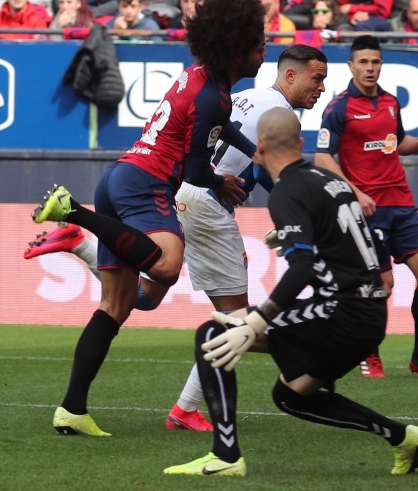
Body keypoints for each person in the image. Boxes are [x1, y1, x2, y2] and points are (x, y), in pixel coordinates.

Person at [24, 44, 330, 431]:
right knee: (233, 314)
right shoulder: (276, 114)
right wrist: (294, 217)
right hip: (189, 195)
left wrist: (248, 158)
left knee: (133, 301)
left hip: (150, 182)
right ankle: (188, 409)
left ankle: (73, 405)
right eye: (317, 78)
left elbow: (226, 134)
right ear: (291, 74)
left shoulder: (239, 95)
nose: (321, 87)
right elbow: (262, 172)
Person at [31, 0, 267, 437]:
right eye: (257, 46)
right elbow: (195, 172)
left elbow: (214, 128)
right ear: (236, 47)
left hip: (119, 177)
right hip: (146, 184)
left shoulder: (200, 77)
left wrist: (250, 150)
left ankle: (72, 409)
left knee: (117, 307)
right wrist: (220, 183)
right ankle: (74, 213)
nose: (263, 53)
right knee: (165, 266)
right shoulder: (214, 96)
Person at [163, 106, 418, 477]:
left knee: (213, 333)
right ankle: (402, 437)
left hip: (341, 314)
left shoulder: (287, 191)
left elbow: (302, 268)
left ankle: (225, 457)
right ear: (301, 143)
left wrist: (256, 321)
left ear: (258, 148)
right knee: (290, 396)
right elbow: (357, 239)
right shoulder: (330, 180)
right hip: (369, 317)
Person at [315, 35, 418, 380]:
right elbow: (322, 158)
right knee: (382, 285)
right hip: (367, 209)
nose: (370, 68)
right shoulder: (338, 107)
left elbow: (397, 143)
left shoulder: (391, 102)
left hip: (402, 204)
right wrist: (356, 193)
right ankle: (369, 353)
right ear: (351, 66)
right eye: (363, 62)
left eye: (375, 61)